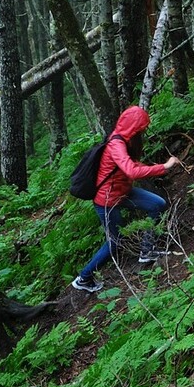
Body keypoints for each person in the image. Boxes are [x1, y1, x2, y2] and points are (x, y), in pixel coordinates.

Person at [72, 105, 180, 293]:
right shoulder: (117, 144)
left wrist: (151, 166)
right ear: (134, 127)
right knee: (115, 242)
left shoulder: (124, 140)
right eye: (141, 128)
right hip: (107, 201)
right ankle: (84, 278)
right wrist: (164, 166)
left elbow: (129, 166)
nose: (144, 132)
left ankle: (147, 250)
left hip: (123, 192)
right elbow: (131, 170)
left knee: (157, 204)